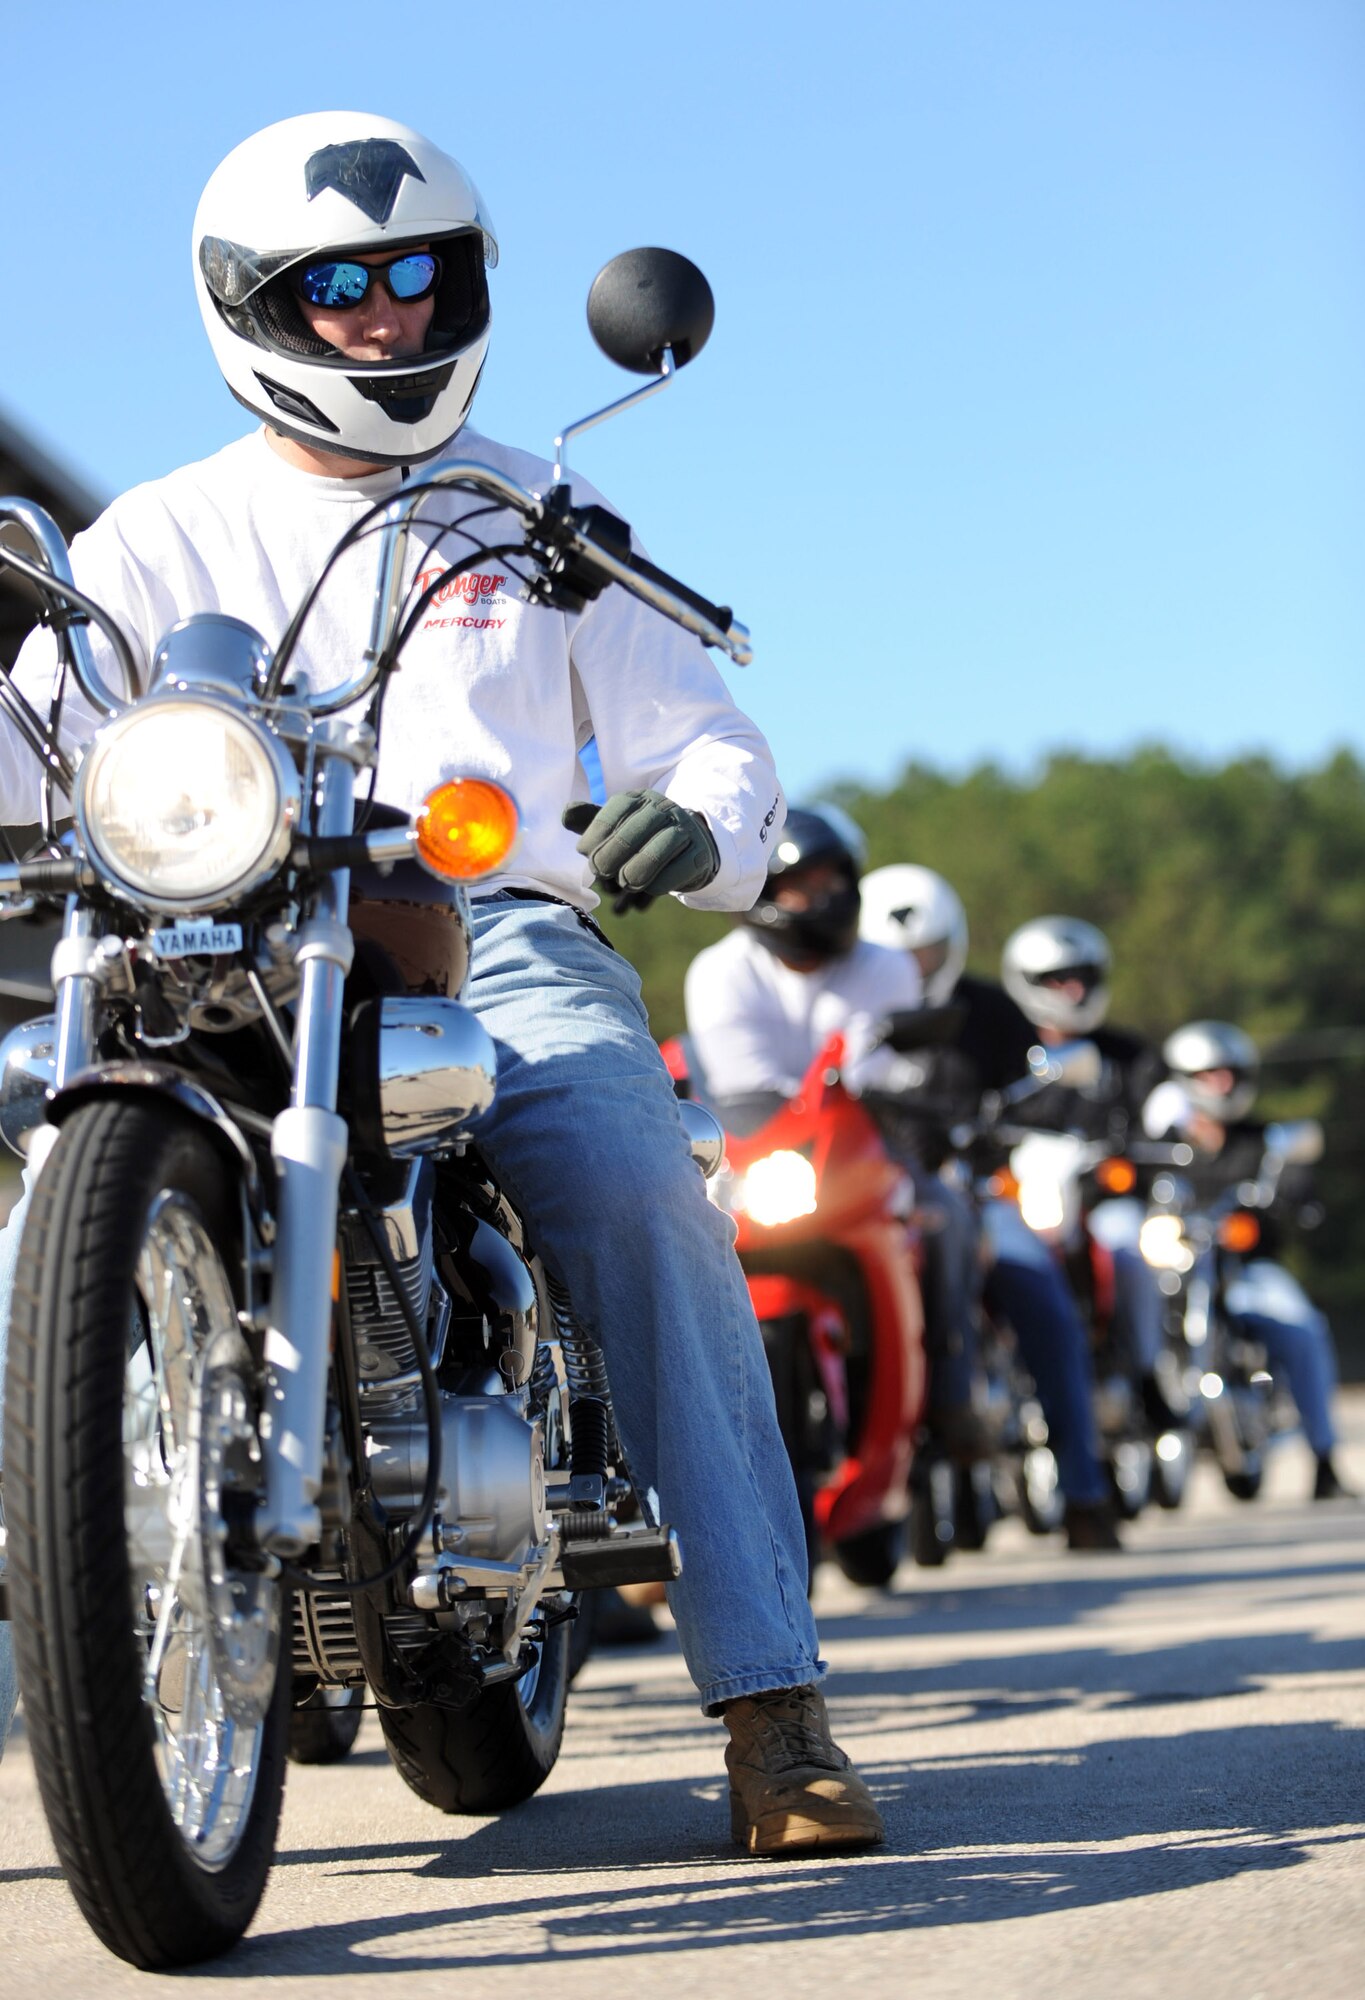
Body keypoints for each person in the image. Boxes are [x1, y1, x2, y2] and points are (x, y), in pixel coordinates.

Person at [0, 112, 884, 1853]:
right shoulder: (154, 539)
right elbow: (39, 736)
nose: (386, 313)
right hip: (215, 928)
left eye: (418, 273)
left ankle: (773, 1706)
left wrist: (696, 824)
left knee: (635, 1184)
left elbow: (708, 735)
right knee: (36, 1150)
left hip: (500, 926)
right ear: (253, 304)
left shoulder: (536, 510)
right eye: (336, 286)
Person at [859, 877, 1121, 1549]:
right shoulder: (846, 1006)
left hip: (976, 1191)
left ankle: (1084, 1493)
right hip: (865, 1198)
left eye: (927, 950)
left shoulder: (990, 1012)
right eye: (897, 954)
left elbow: (1037, 1097)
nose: (913, 966)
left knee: (1043, 1297)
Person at [1143, 1021, 1352, 1501]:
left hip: (1247, 1270)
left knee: (1302, 1327)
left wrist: (1293, 1197)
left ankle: (1324, 1458)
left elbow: (1298, 1190)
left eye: (1230, 1074)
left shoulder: (1266, 1142)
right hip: (1172, 1266)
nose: (1222, 1084)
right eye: (1209, 1074)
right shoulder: (1159, 1146)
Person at [999, 914, 1176, 1426]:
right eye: (1058, 979)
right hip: (1023, 1202)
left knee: (1127, 1252)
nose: (1074, 990)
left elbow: (1162, 1123)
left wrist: (1132, 1159)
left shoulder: (1129, 1056)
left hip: (1102, 1204)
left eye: (1082, 977)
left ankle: (1146, 1373)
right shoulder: (1004, 1053)